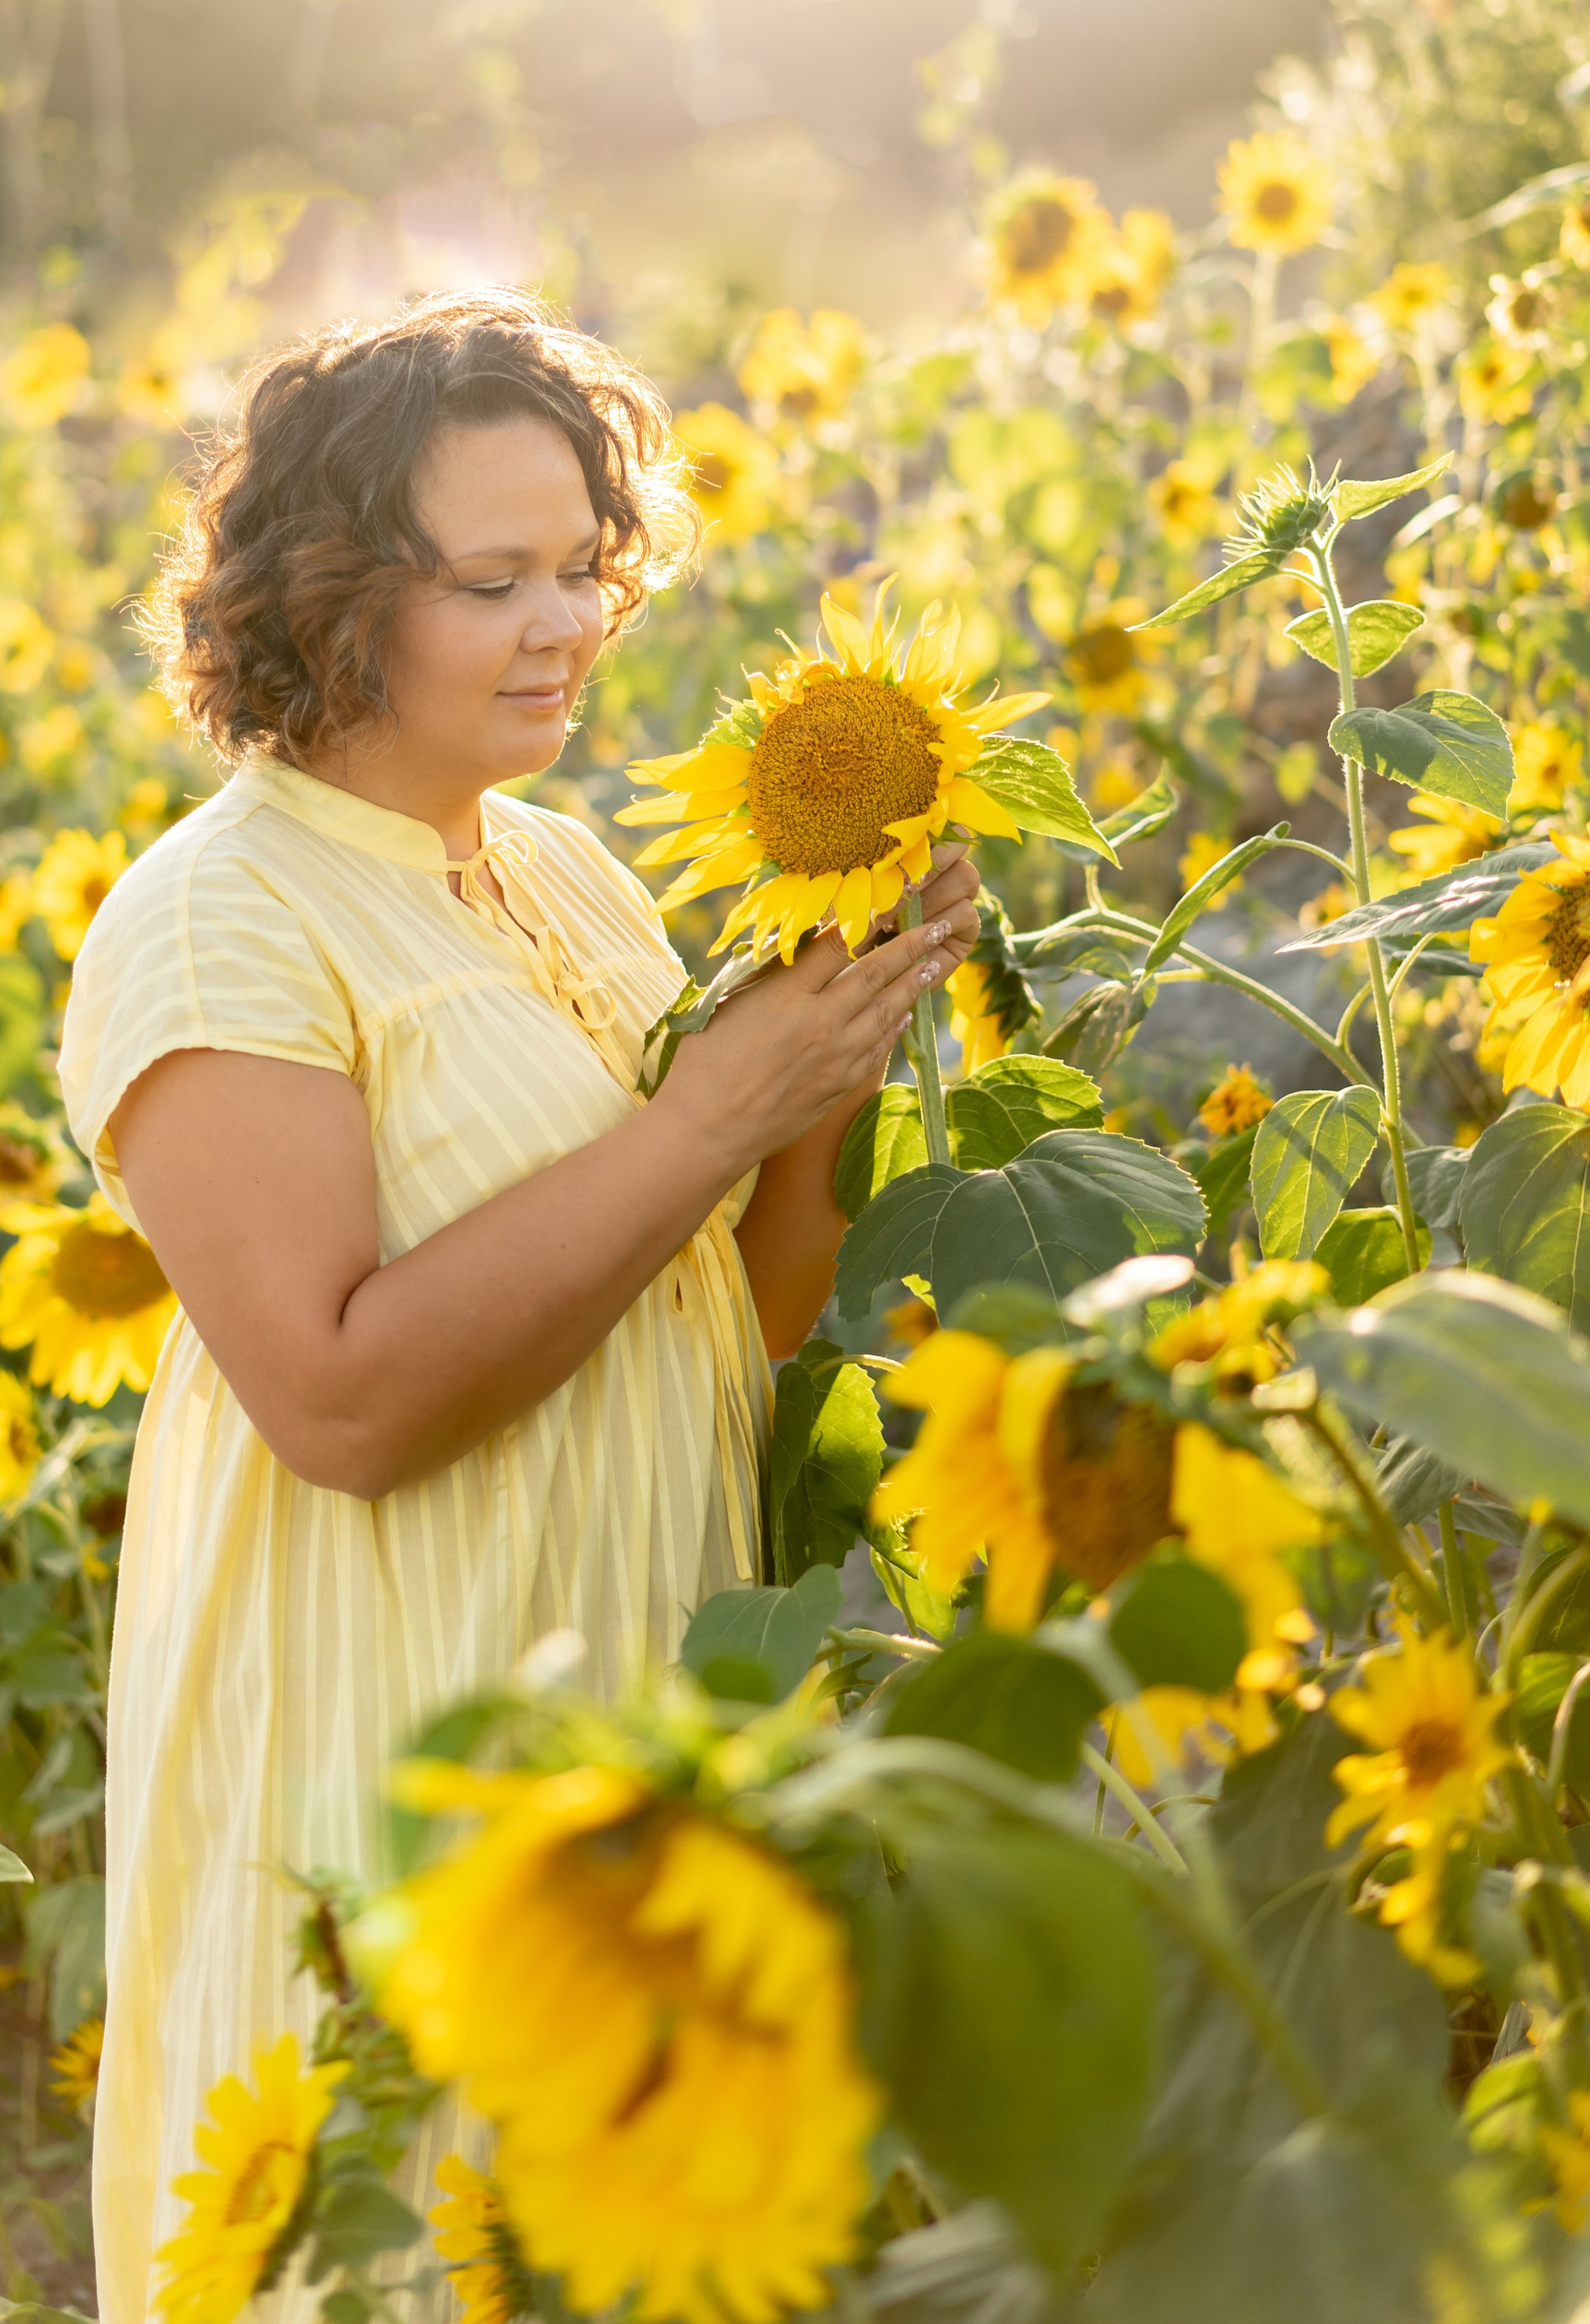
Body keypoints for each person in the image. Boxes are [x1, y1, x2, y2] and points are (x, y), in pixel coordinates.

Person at [56, 289, 980, 2318]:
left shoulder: (563, 869)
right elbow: (342, 1400)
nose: (568, 622)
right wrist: (705, 1115)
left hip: (635, 1748)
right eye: (496, 580)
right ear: (326, 605)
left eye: (584, 563)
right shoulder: (223, 917)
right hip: (388, 1768)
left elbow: (728, 1324)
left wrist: (827, 1053)